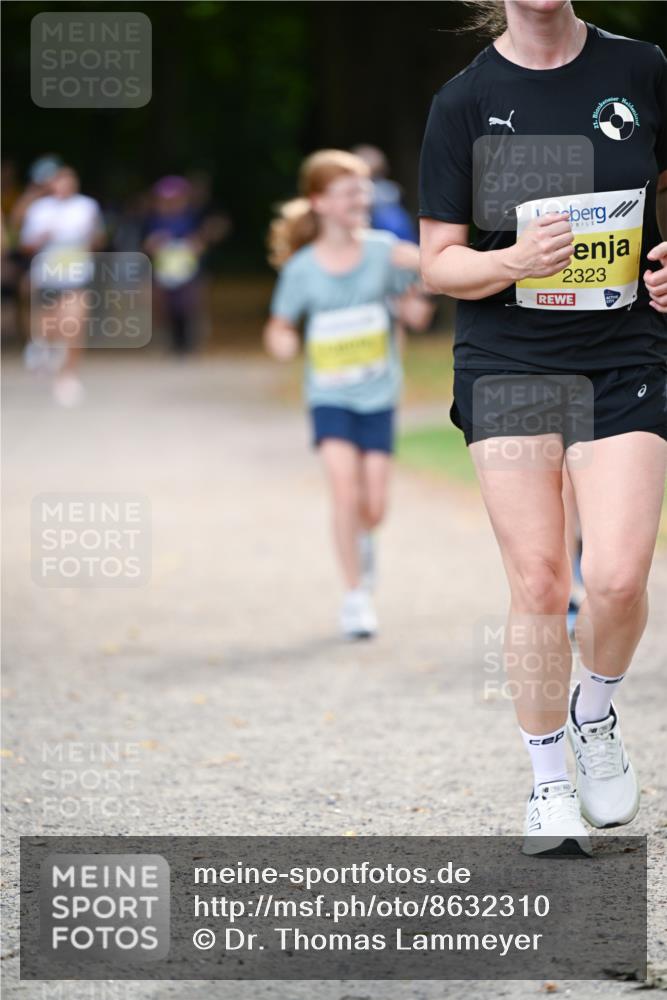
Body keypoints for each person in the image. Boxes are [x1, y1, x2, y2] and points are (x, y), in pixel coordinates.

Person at [419, 0, 666, 855]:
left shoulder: (640, 68)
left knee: (619, 578)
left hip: (621, 355)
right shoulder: (464, 99)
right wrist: (511, 262)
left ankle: (593, 713)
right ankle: (548, 784)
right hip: (509, 360)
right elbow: (438, 261)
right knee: (536, 579)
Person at [264, 149, 434, 639]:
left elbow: (426, 291)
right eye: (347, 193)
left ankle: (364, 545)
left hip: (379, 394)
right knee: (344, 490)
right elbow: (279, 326)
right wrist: (283, 342)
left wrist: (417, 297)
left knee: (374, 505)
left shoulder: (385, 251)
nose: (360, 200)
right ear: (318, 201)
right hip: (329, 395)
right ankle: (355, 595)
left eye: (363, 191)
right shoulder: (302, 269)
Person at [20, 165, 104, 406]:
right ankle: (42, 348)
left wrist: (91, 236)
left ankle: (68, 377)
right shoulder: (39, 209)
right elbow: (25, 245)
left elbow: (98, 240)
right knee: (50, 327)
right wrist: (43, 237)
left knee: (74, 325)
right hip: (47, 276)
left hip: (76, 276)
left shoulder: (86, 206)